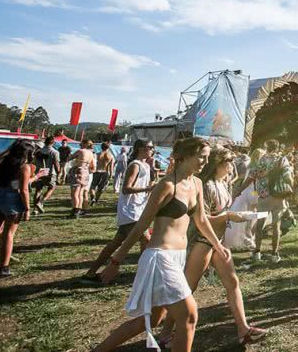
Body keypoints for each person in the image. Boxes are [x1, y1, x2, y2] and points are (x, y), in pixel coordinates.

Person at [94, 137, 230, 352]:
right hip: (160, 257)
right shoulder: (166, 185)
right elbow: (140, 228)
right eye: (201, 157)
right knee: (189, 316)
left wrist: (218, 245)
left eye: (207, 158)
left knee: (153, 319)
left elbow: (201, 220)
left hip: (178, 258)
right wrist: (116, 261)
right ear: (183, 156)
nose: (205, 162)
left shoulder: (196, 183)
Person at [158, 146, 267, 347]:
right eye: (228, 162)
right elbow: (202, 218)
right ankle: (165, 334)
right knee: (186, 290)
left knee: (233, 283)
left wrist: (233, 215)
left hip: (218, 241)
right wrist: (228, 217)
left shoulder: (223, 183)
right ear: (218, 164)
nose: (232, 166)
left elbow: (225, 208)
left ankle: (243, 330)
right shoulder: (205, 185)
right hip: (202, 242)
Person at [83, 140, 155, 282]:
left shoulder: (145, 165)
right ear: (141, 149)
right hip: (130, 211)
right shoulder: (135, 165)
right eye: (150, 147)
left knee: (115, 244)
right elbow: (126, 189)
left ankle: (91, 273)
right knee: (147, 241)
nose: (152, 150)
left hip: (137, 210)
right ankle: (142, 275)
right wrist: (148, 189)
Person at [0, 140, 46, 278]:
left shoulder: (2, 163)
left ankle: (1, 266)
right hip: (12, 200)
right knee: (8, 235)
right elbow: (23, 189)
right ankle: (4, 268)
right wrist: (27, 208)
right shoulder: (24, 167)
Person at [251, 140, 289, 263]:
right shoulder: (282, 159)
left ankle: (257, 252)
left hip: (263, 195)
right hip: (278, 194)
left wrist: (263, 175)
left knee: (260, 224)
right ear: (277, 147)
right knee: (276, 225)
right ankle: (274, 253)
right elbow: (288, 175)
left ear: (266, 147)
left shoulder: (261, 159)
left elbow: (254, 174)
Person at [67, 140, 96, 219]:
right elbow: (93, 168)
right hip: (86, 172)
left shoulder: (80, 151)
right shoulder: (91, 153)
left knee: (74, 193)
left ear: (85, 144)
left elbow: (69, 158)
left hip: (78, 171)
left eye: (81, 143)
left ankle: (75, 211)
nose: (79, 144)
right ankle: (79, 210)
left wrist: (69, 155)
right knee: (81, 193)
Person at [32, 135, 61, 214]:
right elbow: (56, 164)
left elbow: (34, 162)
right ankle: (41, 202)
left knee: (38, 190)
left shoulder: (38, 152)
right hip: (50, 173)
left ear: (45, 142)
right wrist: (59, 173)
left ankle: (35, 209)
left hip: (39, 173)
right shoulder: (55, 152)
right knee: (51, 188)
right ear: (53, 143)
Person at [90, 142, 115, 206]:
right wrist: (111, 175)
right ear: (108, 148)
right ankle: (96, 200)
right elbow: (111, 167)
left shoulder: (97, 154)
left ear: (101, 147)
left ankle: (92, 198)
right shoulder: (110, 156)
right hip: (105, 172)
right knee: (101, 188)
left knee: (93, 185)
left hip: (97, 171)